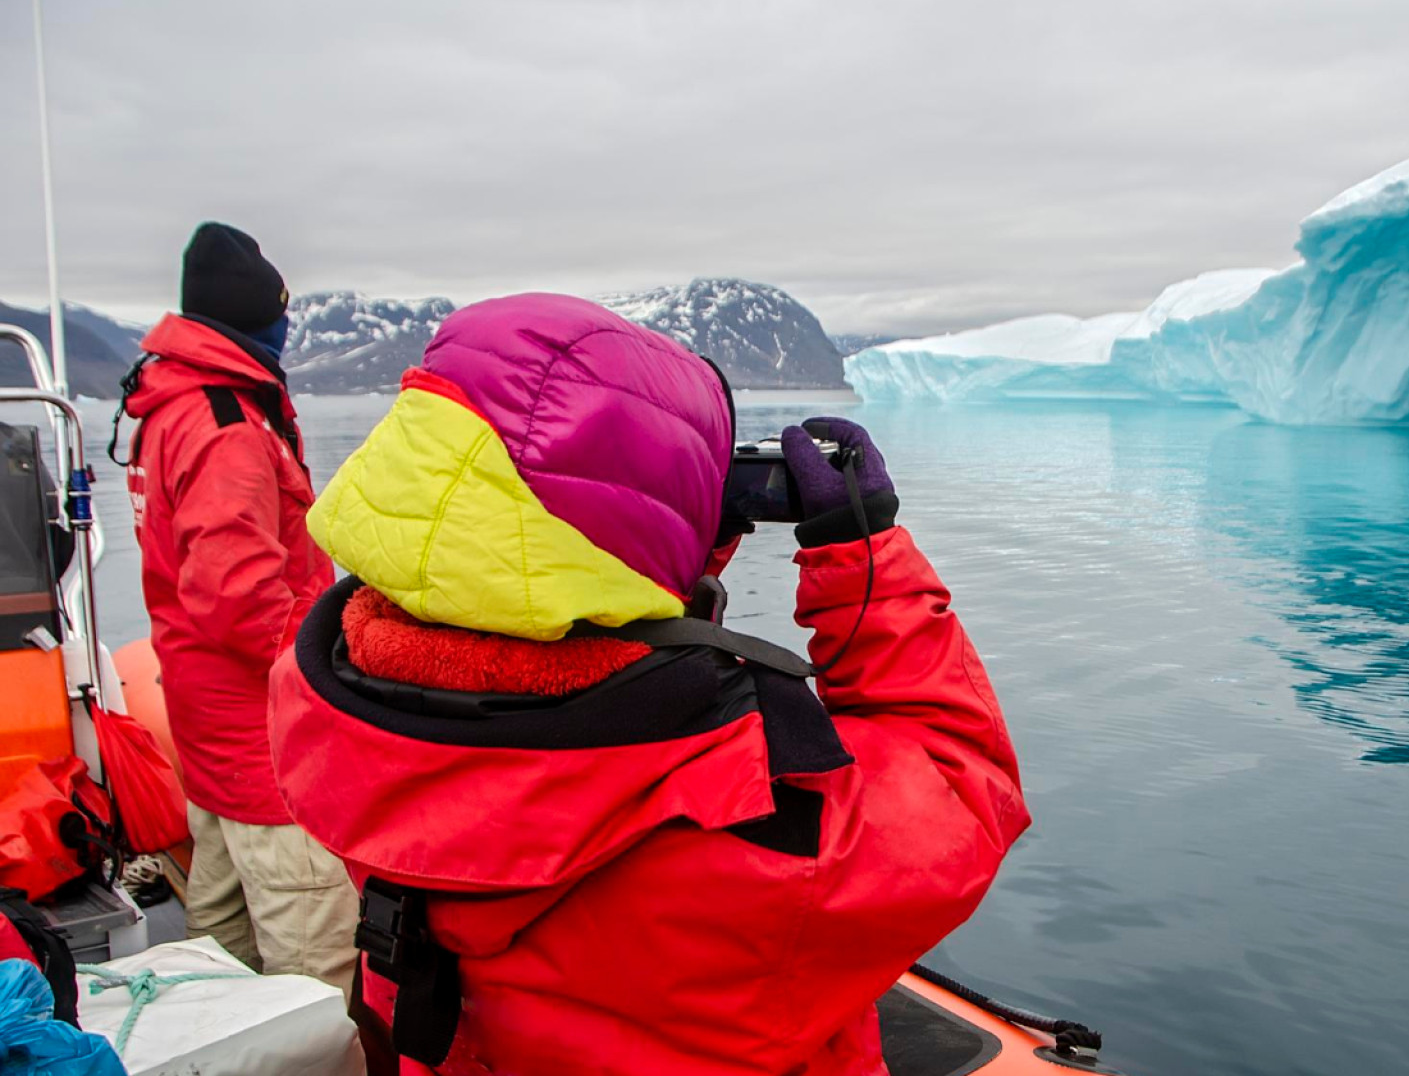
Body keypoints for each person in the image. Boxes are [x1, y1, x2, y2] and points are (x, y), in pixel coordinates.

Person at [268, 293, 1029, 1075]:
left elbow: (519, 599)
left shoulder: (323, 707)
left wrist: (675, 560)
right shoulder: (758, 819)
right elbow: (961, 779)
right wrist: (864, 561)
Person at [118, 222, 356, 990]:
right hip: (267, 750)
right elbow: (238, 596)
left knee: (218, 952)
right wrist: (326, 665)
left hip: (211, 735)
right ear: (264, 320)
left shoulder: (172, 404)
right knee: (315, 969)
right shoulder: (226, 427)